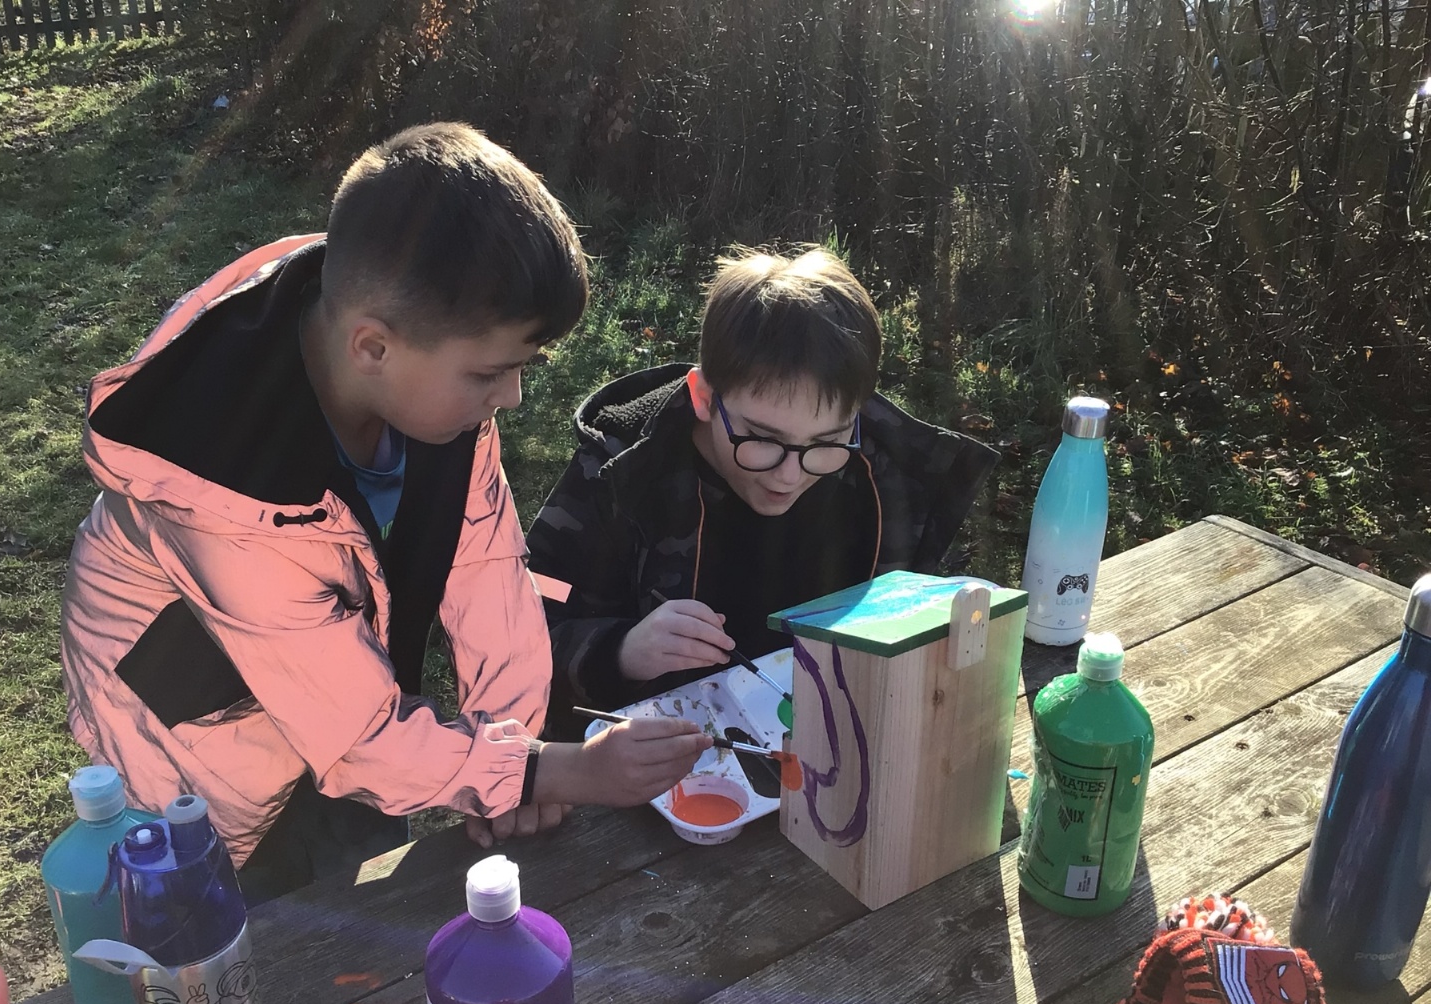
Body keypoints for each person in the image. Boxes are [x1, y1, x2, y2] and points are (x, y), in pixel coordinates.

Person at [59, 123, 708, 903]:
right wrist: (557, 771)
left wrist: (514, 760)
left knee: (362, 898)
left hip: (347, 697)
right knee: (235, 923)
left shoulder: (431, 380)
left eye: (520, 368)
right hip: (197, 745)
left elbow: (487, 576)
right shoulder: (222, 493)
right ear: (372, 348)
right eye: (491, 373)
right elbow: (359, 744)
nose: (510, 397)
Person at [527, 247, 999, 737]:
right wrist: (622, 652)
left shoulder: (892, 478)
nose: (789, 476)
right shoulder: (618, 475)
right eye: (762, 439)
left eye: (826, 442)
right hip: (650, 761)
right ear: (703, 397)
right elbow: (522, 628)